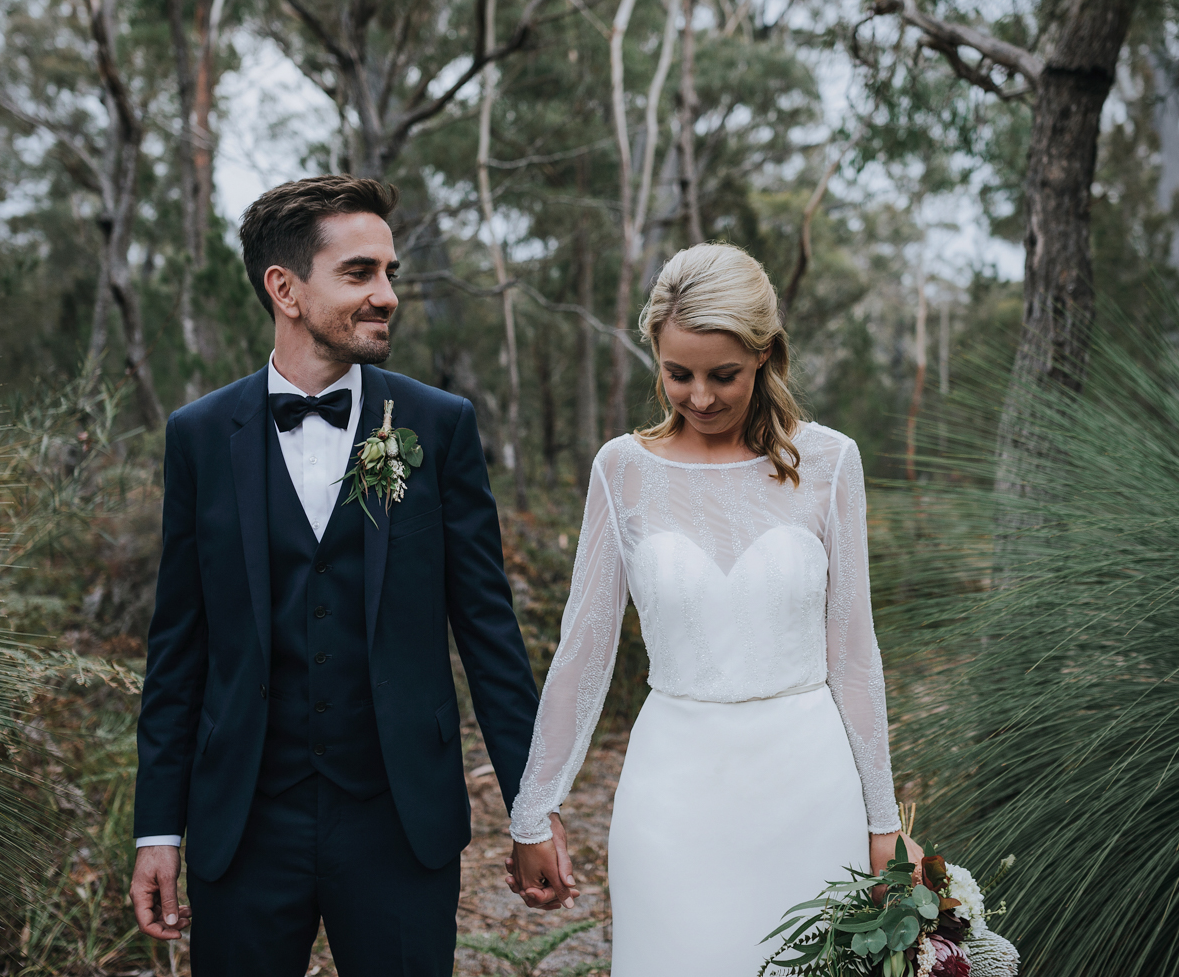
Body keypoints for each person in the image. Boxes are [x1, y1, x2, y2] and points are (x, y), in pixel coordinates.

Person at [128, 175, 549, 977]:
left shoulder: (440, 426)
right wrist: (158, 831)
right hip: (244, 822)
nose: (386, 295)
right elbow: (177, 649)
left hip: (399, 817)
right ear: (284, 288)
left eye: (389, 273)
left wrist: (532, 811)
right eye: (359, 273)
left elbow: (490, 633)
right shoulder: (200, 436)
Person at [506, 243, 923, 974]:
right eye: (678, 373)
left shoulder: (831, 463)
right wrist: (535, 808)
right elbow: (584, 647)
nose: (699, 396)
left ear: (764, 355)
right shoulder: (623, 469)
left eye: (722, 374)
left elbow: (855, 654)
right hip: (673, 788)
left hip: (809, 786)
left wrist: (881, 820)